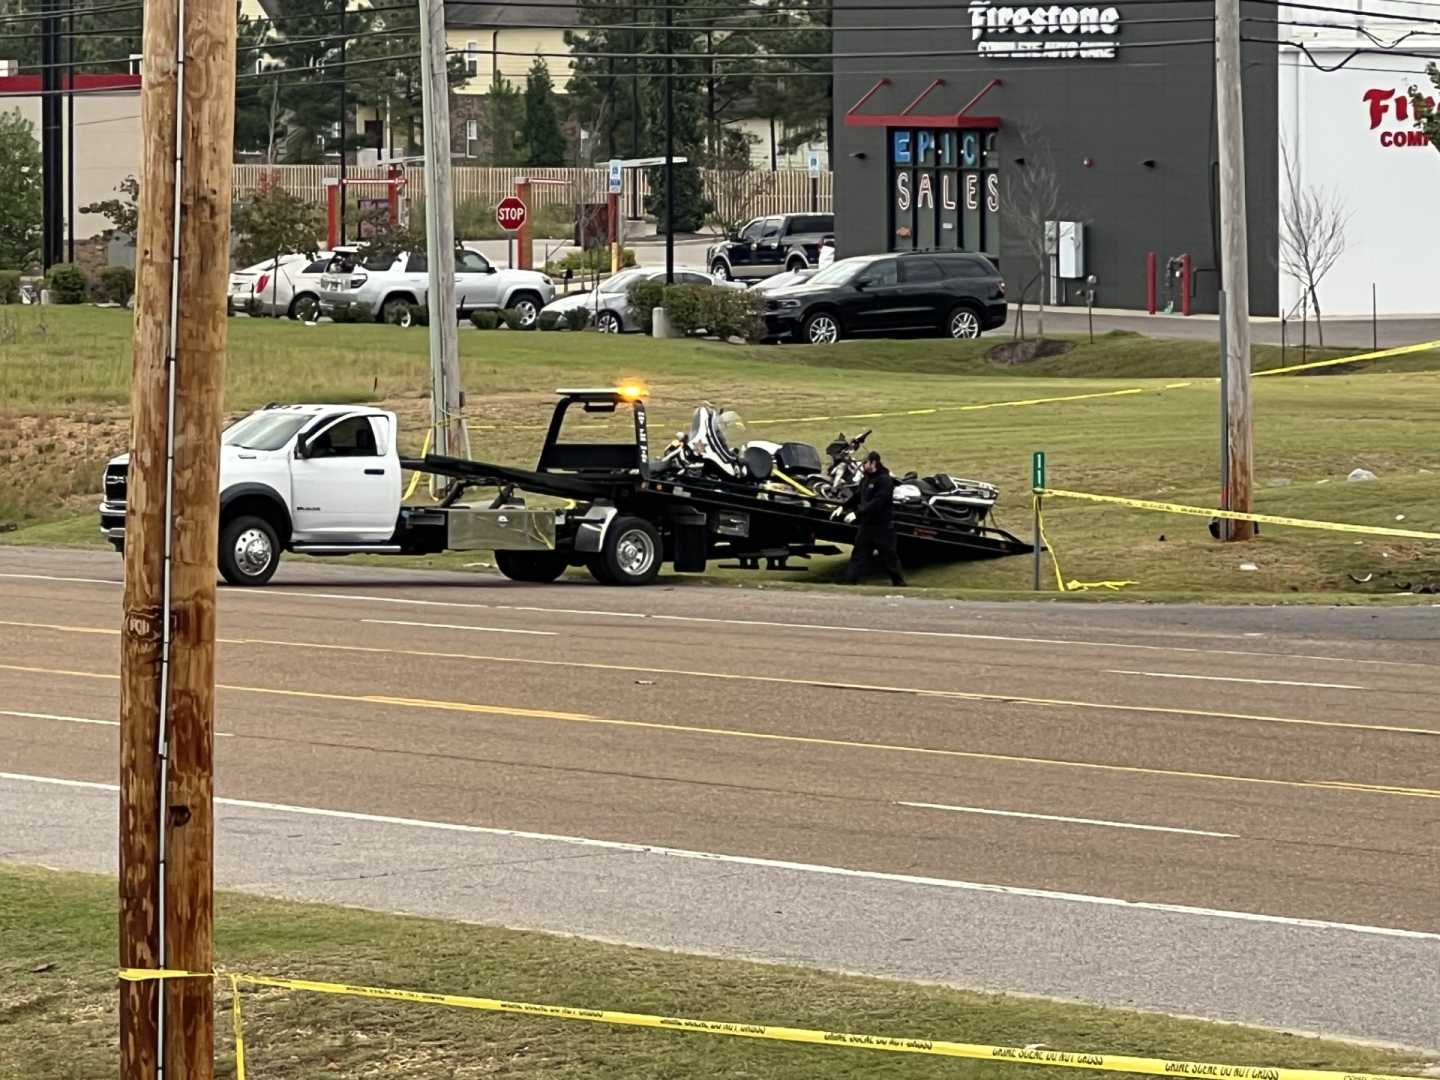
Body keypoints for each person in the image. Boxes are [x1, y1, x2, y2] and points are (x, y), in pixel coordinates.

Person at [835, 451, 907, 586]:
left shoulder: (884, 480)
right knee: (858, 555)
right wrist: (843, 507)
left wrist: (857, 513)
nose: (863, 466)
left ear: (874, 463)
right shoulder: (866, 479)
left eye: (865, 463)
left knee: (889, 557)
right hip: (866, 526)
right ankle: (850, 583)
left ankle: (899, 583)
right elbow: (857, 496)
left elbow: (877, 503)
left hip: (882, 527)